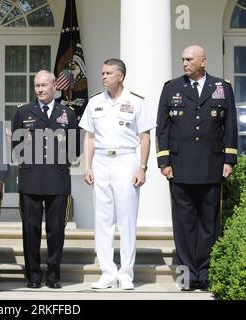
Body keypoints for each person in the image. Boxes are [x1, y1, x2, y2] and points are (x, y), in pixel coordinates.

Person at [156, 45, 238, 291]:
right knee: (183, 224)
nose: (184, 63)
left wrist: (229, 160)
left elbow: (231, 125)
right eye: (183, 59)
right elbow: (162, 128)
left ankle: (206, 274)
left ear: (203, 61)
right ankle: (186, 276)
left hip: (212, 165)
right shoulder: (171, 88)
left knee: (209, 223)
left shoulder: (222, 88)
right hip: (180, 167)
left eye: (189, 59)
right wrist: (164, 162)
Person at [79, 59, 155, 290]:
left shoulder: (136, 102)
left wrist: (142, 167)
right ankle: (107, 272)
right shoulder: (94, 102)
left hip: (125, 160)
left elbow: (144, 137)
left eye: (108, 73)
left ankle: (126, 273)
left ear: (120, 76)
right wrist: (88, 167)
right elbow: (89, 137)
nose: (103, 76)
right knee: (102, 220)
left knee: (126, 219)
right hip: (101, 161)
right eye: (102, 72)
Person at [12, 70, 77, 289]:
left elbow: (74, 148)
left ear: (54, 87)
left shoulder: (67, 113)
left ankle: (53, 276)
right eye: (37, 86)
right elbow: (16, 147)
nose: (40, 89)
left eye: (44, 85)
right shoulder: (23, 112)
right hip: (31, 178)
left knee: (56, 230)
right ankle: (33, 276)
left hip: (57, 178)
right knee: (30, 229)